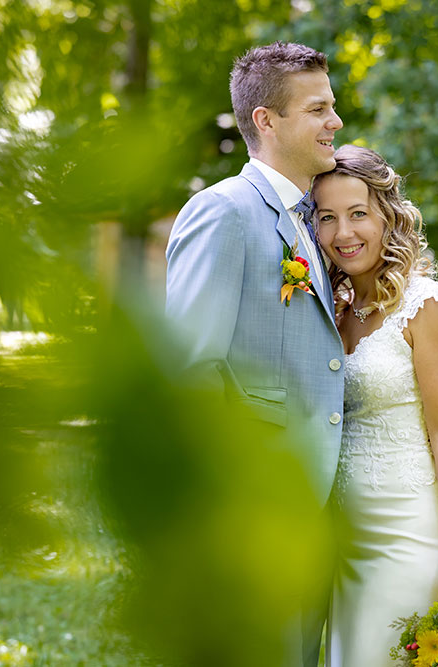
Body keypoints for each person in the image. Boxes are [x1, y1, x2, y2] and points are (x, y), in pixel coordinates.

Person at [164, 42, 345, 667]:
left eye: (333, 106)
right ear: (267, 121)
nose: (336, 122)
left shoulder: (313, 220)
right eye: (318, 108)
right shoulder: (223, 214)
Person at [312, 145, 438, 667]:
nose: (344, 233)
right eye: (327, 218)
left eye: (358, 213)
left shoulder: (426, 306)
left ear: (388, 216)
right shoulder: (330, 310)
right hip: (346, 542)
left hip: (409, 537)